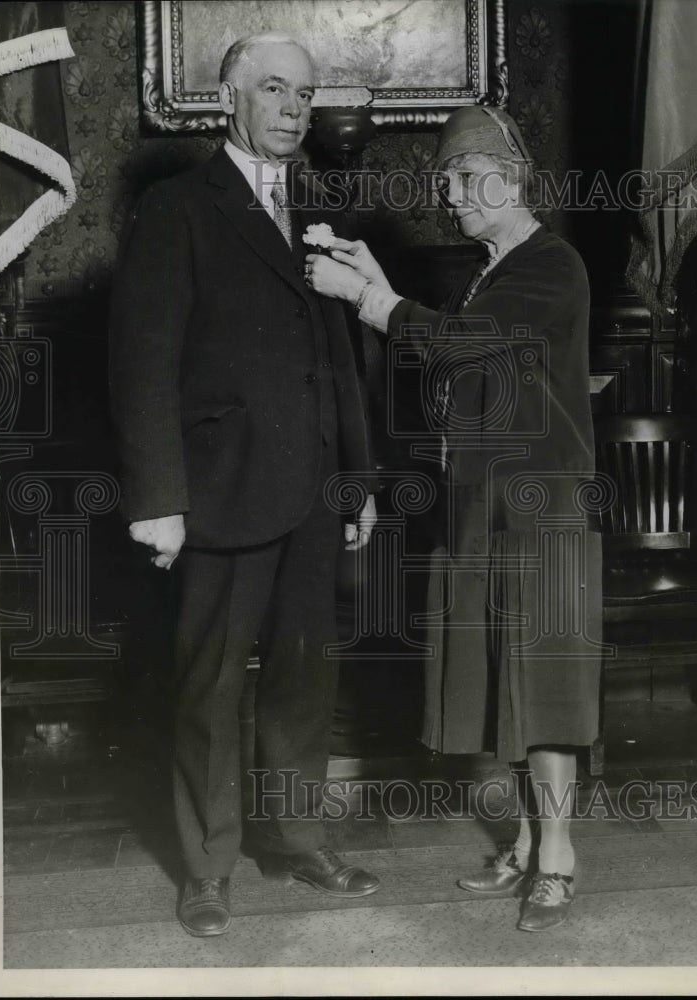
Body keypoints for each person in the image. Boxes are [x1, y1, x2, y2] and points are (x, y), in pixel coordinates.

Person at [305, 105, 602, 933]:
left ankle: (557, 856)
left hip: (540, 510)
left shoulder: (552, 265)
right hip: (486, 505)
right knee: (504, 677)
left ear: (512, 181)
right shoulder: (496, 266)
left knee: (541, 686)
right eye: (447, 184)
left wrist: (369, 299)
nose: (454, 199)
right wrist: (382, 282)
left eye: (469, 182)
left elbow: (462, 344)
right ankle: (526, 839)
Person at [109, 32, 380, 938]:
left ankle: (300, 840)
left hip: (311, 490)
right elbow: (142, 363)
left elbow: (336, 355)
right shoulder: (177, 207)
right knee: (209, 686)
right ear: (230, 98)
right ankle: (207, 867)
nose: (295, 109)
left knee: (307, 675)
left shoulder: (318, 208)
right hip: (219, 491)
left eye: (304, 94)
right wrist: (158, 497)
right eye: (274, 90)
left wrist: (358, 479)